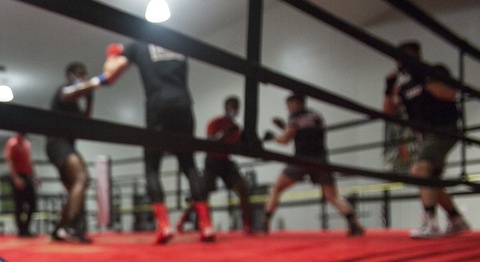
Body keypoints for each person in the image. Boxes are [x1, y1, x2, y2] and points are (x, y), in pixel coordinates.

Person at [101, 42, 209, 244]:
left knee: (152, 166)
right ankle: (207, 225)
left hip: (158, 107)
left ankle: (164, 226)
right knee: (189, 165)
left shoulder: (138, 47)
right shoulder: (179, 45)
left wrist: (112, 55)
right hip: (184, 105)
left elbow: (110, 76)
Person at [384, 40, 470, 238]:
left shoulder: (434, 72)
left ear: (418, 56)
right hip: (423, 136)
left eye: (410, 57)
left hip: (444, 130)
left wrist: (422, 76)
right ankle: (457, 220)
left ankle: (430, 223)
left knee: (420, 170)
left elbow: (449, 93)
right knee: (430, 179)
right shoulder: (403, 88)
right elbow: (388, 112)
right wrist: (388, 89)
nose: (406, 62)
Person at [263, 94, 365, 236]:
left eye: (289, 105)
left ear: (296, 103)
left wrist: (272, 136)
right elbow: (305, 134)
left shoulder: (296, 117)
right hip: (320, 159)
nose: (288, 108)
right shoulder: (316, 115)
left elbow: (286, 139)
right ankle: (355, 223)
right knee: (331, 196)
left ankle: (265, 224)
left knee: (276, 188)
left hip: (302, 160)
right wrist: (284, 126)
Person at [47, 62, 99, 243]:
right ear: (69, 75)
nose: (82, 77)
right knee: (82, 178)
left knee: (74, 187)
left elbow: (84, 123)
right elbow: (69, 94)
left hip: (65, 144)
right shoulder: (63, 90)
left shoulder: (76, 104)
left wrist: (90, 99)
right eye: (78, 74)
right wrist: (91, 84)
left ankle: (60, 229)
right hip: (57, 143)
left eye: (85, 74)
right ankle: (71, 227)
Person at [199, 96, 254, 238]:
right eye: (232, 107)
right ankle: (189, 220)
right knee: (204, 192)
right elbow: (209, 141)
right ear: (226, 108)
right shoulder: (216, 122)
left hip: (226, 162)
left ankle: (247, 225)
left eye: (237, 108)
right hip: (212, 160)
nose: (234, 111)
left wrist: (257, 141)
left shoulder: (237, 128)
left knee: (242, 188)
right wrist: (224, 133)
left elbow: (241, 147)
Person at [4, 132, 39, 237]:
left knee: (32, 204)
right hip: (17, 175)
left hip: (27, 175)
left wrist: (34, 176)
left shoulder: (27, 143)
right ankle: (21, 231)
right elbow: (9, 161)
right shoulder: (12, 143)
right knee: (19, 205)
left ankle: (26, 229)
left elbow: (29, 161)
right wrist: (16, 178)